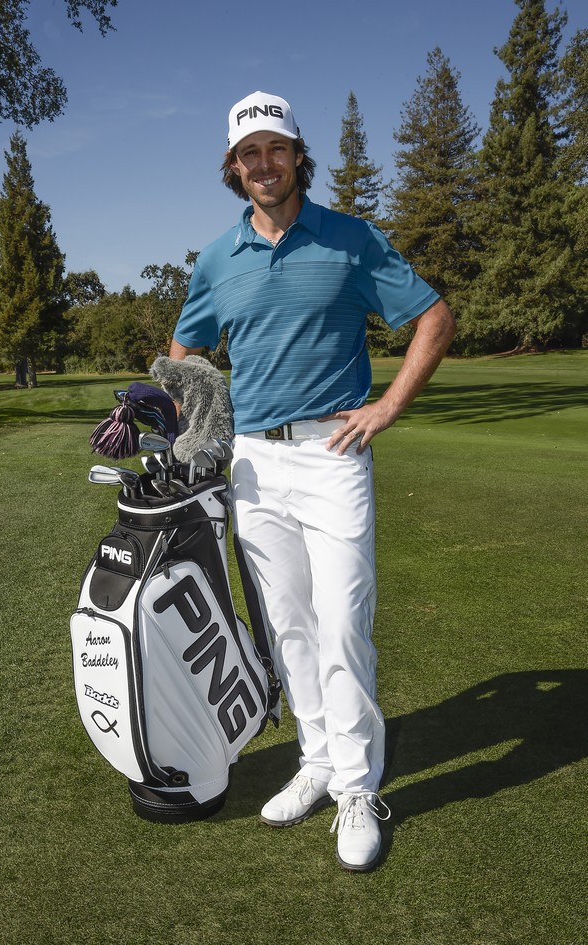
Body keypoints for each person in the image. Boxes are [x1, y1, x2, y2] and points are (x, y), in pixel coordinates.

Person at [168, 91, 456, 871]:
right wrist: (184, 404)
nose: (263, 164)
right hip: (255, 465)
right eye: (248, 154)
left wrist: (390, 404)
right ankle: (320, 759)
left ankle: (359, 785)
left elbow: (432, 315)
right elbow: (184, 349)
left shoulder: (352, 239)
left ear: (298, 155)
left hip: (332, 455)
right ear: (233, 169)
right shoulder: (217, 259)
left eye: (276, 148)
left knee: (341, 623)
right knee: (290, 630)